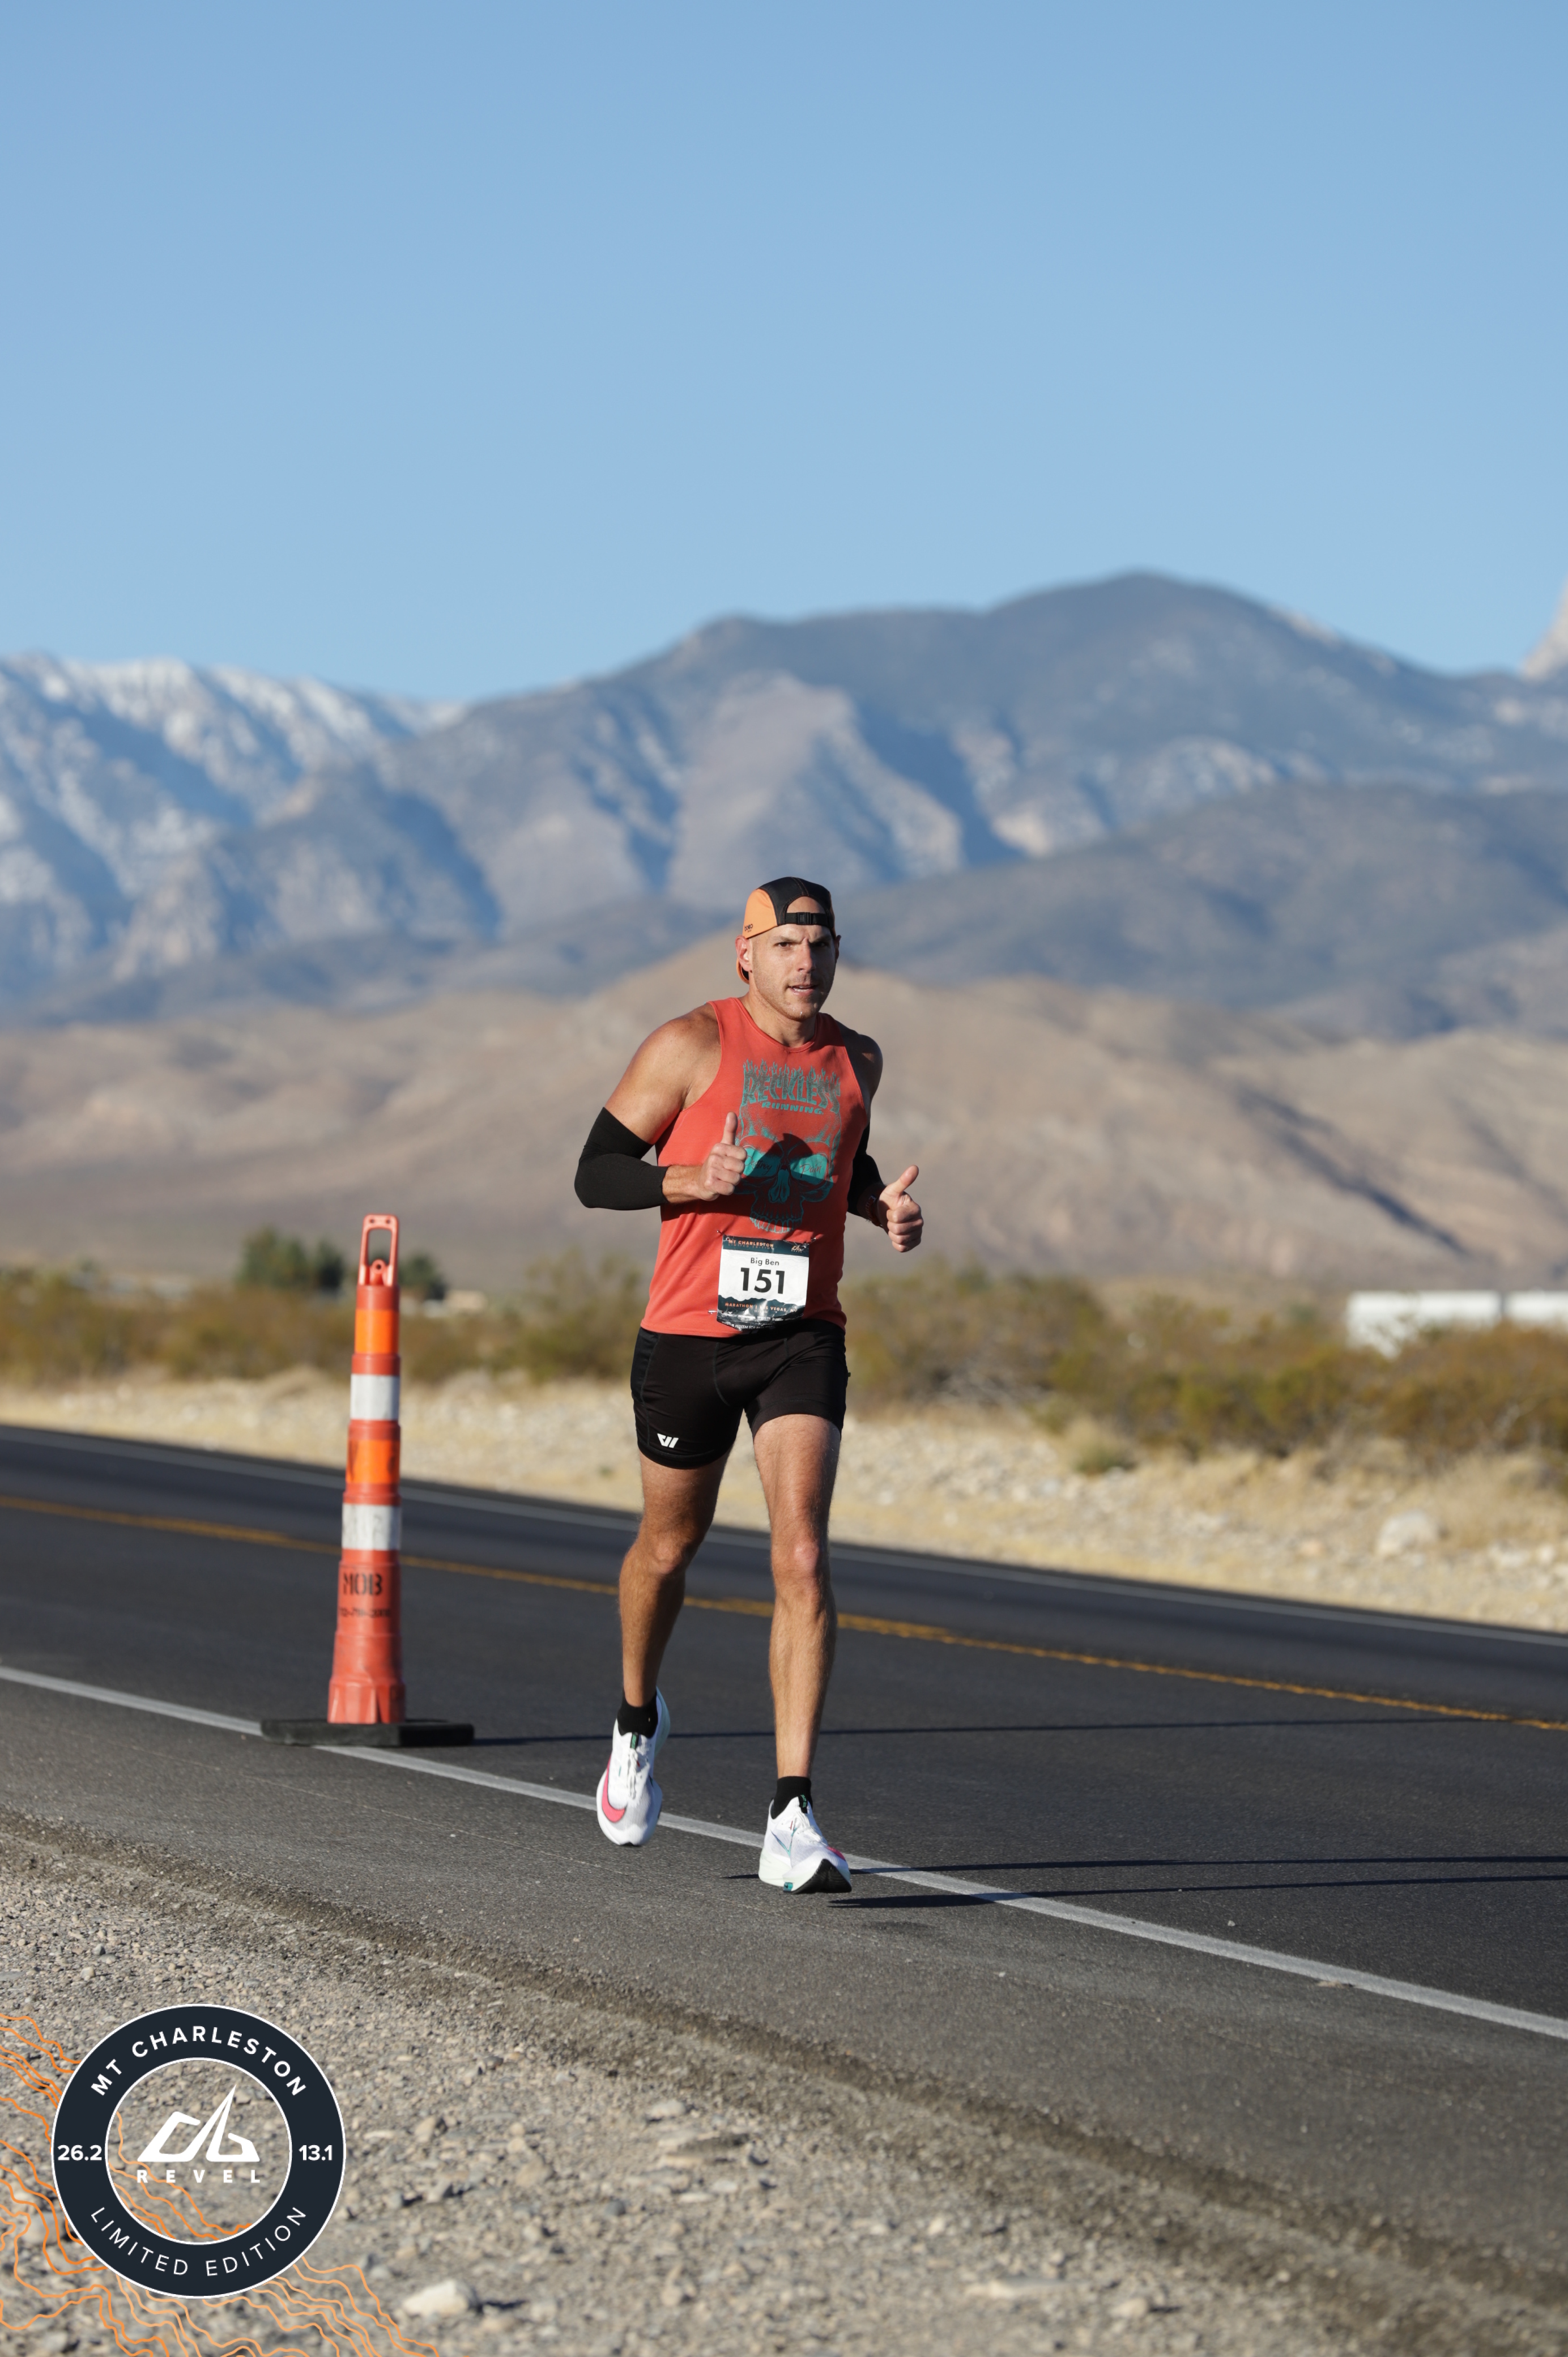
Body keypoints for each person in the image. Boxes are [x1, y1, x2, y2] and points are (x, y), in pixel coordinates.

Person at [573, 877, 923, 1892]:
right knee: (668, 1547)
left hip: (801, 1334)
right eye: (784, 946)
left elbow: (840, 1163)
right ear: (746, 955)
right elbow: (597, 1171)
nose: (805, 964)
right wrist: (685, 1181)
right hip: (688, 1336)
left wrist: (879, 1208)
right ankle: (635, 1720)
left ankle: (792, 1814)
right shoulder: (690, 1045)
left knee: (802, 1555)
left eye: (821, 946)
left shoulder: (858, 1059)